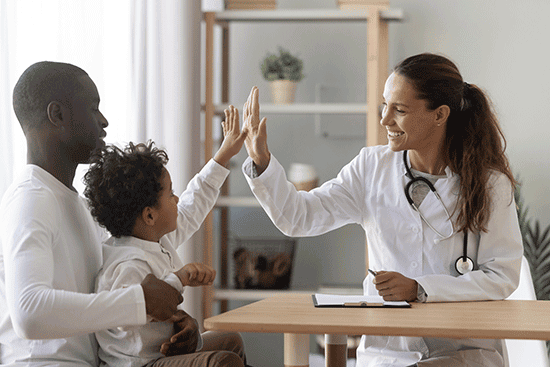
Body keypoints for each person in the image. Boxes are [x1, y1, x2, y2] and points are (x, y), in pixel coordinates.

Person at [241, 53, 523, 367]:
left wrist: (421, 289)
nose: (384, 120)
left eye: (399, 110)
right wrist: (262, 162)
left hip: (461, 354)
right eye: (384, 106)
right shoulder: (371, 168)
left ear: (440, 115)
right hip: (388, 354)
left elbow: (502, 276)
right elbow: (299, 217)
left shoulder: (490, 184)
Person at [2, 61, 198, 366]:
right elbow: (29, 313)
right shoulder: (31, 198)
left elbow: (104, 299)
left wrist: (168, 319)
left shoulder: (76, 204)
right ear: (58, 115)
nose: (104, 121)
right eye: (93, 109)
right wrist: (139, 301)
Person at [83, 105, 247, 367]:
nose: (177, 198)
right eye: (170, 194)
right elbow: (124, 313)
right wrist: (178, 279)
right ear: (149, 216)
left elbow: (195, 203)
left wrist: (224, 154)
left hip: (162, 355)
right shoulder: (125, 262)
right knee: (222, 362)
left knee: (230, 340)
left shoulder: (156, 240)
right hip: (140, 364)